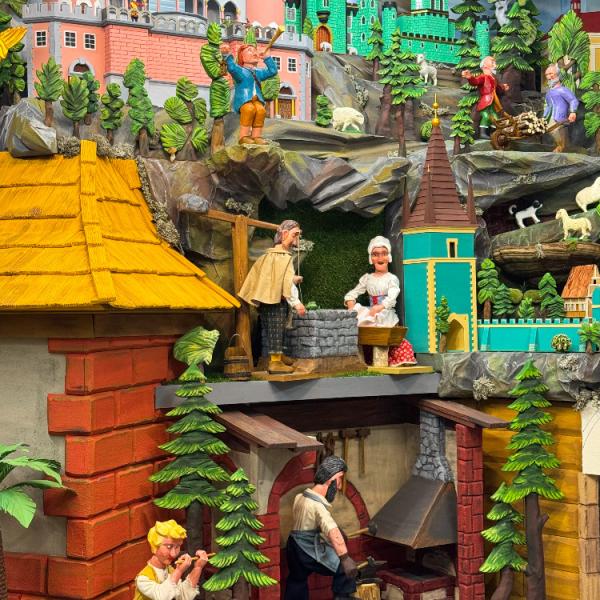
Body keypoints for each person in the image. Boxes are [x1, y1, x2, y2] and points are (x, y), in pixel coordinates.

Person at [284, 456, 358, 600]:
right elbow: (333, 532)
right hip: (305, 548)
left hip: (292, 545)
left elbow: (308, 521)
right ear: (331, 480)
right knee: (343, 568)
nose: (339, 487)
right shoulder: (318, 506)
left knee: (297, 578)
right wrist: (345, 558)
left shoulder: (300, 497)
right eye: (340, 480)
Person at [238, 220, 306, 374]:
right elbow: (285, 283)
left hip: (268, 300)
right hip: (275, 302)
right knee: (276, 330)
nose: (297, 239)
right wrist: (296, 303)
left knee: (277, 330)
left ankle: (279, 356)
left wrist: (293, 279)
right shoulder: (282, 257)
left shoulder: (268, 256)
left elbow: (274, 278)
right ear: (284, 234)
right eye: (295, 235)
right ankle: (275, 362)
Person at [344, 236, 416, 366]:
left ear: (389, 257)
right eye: (375, 255)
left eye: (384, 254)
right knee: (361, 317)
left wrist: (381, 306)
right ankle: (364, 356)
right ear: (371, 258)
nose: (380, 258)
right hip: (372, 312)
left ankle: (390, 356)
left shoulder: (391, 279)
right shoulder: (368, 278)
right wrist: (350, 301)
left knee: (382, 329)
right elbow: (353, 292)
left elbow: (392, 296)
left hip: (384, 313)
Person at [219, 42, 278, 145]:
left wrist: (267, 58)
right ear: (242, 56)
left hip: (257, 99)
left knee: (261, 111)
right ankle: (243, 136)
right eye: (250, 51)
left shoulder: (258, 72)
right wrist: (226, 54)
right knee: (249, 109)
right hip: (244, 100)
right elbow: (231, 68)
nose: (254, 53)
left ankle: (256, 136)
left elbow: (272, 71)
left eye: (255, 51)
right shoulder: (240, 71)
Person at [134, 520, 209, 600]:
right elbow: (162, 597)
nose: (173, 554)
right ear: (155, 547)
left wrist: (198, 567)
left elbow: (183, 596)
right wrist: (179, 571)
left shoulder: (170, 571)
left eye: (177, 547)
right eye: (169, 547)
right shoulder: (143, 579)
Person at [461, 56, 509, 139]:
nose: (495, 65)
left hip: (493, 102)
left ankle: (493, 134)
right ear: (485, 66)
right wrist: (470, 77)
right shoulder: (483, 77)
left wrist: (503, 88)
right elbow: (475, 81)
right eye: (492, 63)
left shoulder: (493, 78)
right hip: (485, 102)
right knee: (486, 116)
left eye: (494, 63)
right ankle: (482, 134)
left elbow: (497, 88)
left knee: (495, 118)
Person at [544, 63, 579, 153]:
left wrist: (573, 112)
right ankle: (559, 148)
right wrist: (544, 117)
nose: (548, 77)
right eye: (547, 74)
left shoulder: (563, 90)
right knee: (552, 133)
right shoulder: (548, 93)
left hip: (560, 118)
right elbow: (548, 105)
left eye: (551, 74)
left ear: (557, 75)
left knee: (560, 134)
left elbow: (573, 100)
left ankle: (562, 148)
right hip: (550, 118)